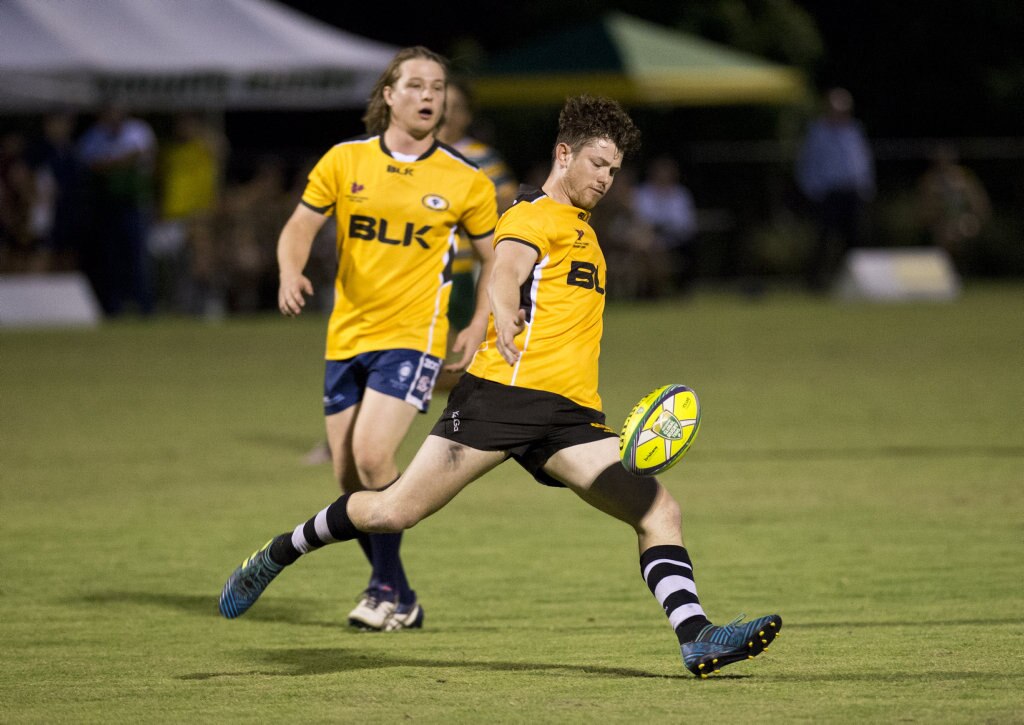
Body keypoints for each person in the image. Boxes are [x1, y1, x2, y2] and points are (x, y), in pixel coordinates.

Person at [219, 95, 783, 678]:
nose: (606, 180)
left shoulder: (587, 234)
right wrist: (503, 311)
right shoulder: (528, 216)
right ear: (564, 155)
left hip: (570, 418)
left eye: (614, 170)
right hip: (500, 400)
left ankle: (697, 637)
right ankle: (277, 553)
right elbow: (506, 270)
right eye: (597, 164)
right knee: (392, 511)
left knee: (659, 510)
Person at [270, 46, 498, 632]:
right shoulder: (345, 161)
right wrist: (290, 270)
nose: (430, 95)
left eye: (439, 87)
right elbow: (299, 225)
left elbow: (498, 257)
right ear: (388, 97)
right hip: (346, 334)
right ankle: (402, 594)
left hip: (415, 335)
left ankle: (381, 589)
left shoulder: (464, 179)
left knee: (374, 455)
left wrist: (478, 325)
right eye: (416, 85)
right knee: (349, 478)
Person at [435, 76, 517, 389]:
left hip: (469, 269)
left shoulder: (481, 156)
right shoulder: (415, 154)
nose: (448, 115)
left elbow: (510, 201)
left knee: (472, 360)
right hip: (424, 270)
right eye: (444, 106)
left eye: (456, 108)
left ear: (467, 116)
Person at [76, 105, 157, 316]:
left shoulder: (138, 130)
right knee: (110, 258)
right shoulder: (95, 135)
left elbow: (145, 156)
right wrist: (122, 161)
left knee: (138, 256)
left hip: (135, 204)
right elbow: (87, 162)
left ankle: (145, 306)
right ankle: (113, 307)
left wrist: (110, 163)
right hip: (107, 205)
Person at [796, 87, 874, 292]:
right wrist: (813, 191)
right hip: (828, 194)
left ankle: (853, 283)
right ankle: (815, 282)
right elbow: (808, 163)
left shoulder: (854, 130)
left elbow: (862, 160)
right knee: (824, 238)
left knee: (854, 240)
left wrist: (866, 186)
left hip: (853, 192)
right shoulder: (818, 132)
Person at [915, 143, 991, 273]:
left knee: (961, 229)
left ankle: (963, 270)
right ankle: (948, 271)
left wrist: (975, 218)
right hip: (940, 223)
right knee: (947, 234)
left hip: (964, 220)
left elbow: (979, 203)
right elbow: (924, 210)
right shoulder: (931, 181)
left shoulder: (964, 179)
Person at [633, 155, 699, 296]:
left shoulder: (681, 195)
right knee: (647, 246)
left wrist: (663, 228)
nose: (663, 177)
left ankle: (672, 289)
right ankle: (651, 289)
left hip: (675, 241)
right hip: (647, 238)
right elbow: (640, 219)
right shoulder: (643, 193)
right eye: (660, 172)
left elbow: (685, 224)